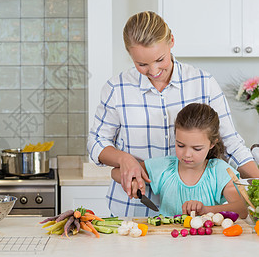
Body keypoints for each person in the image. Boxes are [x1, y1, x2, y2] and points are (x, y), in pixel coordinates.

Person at [87, 11, 259, 217]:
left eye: (160, 59)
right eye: (142, 64)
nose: (153, 70)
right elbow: (96, 142)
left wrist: (257, 185)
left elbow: (231, 144)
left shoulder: (203, 82)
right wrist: (123, 159)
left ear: (171, 41)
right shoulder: (117, 88)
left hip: (196, 214)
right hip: (132, 209)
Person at [111, 103, 248, 218]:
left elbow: (243, 208)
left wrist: (206, 210)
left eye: (197, 148)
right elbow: (115, 172)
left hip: (208, 244)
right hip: (167, 242)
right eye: (180, 145)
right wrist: (133, 180)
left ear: (212, 144)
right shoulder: (165, 166)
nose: (187, 154)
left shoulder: (219, 170)